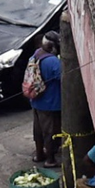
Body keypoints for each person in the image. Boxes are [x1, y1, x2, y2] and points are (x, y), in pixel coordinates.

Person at [29, 31, 63, 168]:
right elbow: (63, 78)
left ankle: (39, 154)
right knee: (50, 133)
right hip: (51, 104)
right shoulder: (53, 61)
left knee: (38, 130)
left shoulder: (36, 54)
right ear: (52, 46)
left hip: (36, 100)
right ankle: (50, 160)